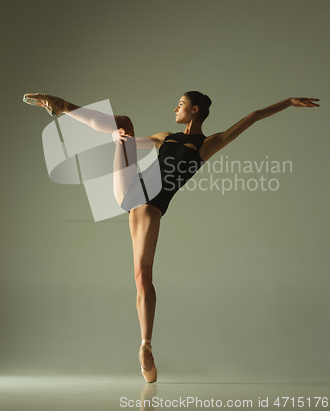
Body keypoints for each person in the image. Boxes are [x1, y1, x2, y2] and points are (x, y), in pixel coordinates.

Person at [23, 91, 319, 382]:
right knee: (122, 122)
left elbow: (252, 117)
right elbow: (135, 143)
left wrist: (287, 102)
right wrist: (119, 141)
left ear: (196, 110)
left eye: (181, 104)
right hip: (131, 188)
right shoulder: (165, 136)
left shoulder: (207, 144)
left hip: (152, 203)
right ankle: (60, 106)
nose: (175, 108)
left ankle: (145, 347)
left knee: (142, 277)